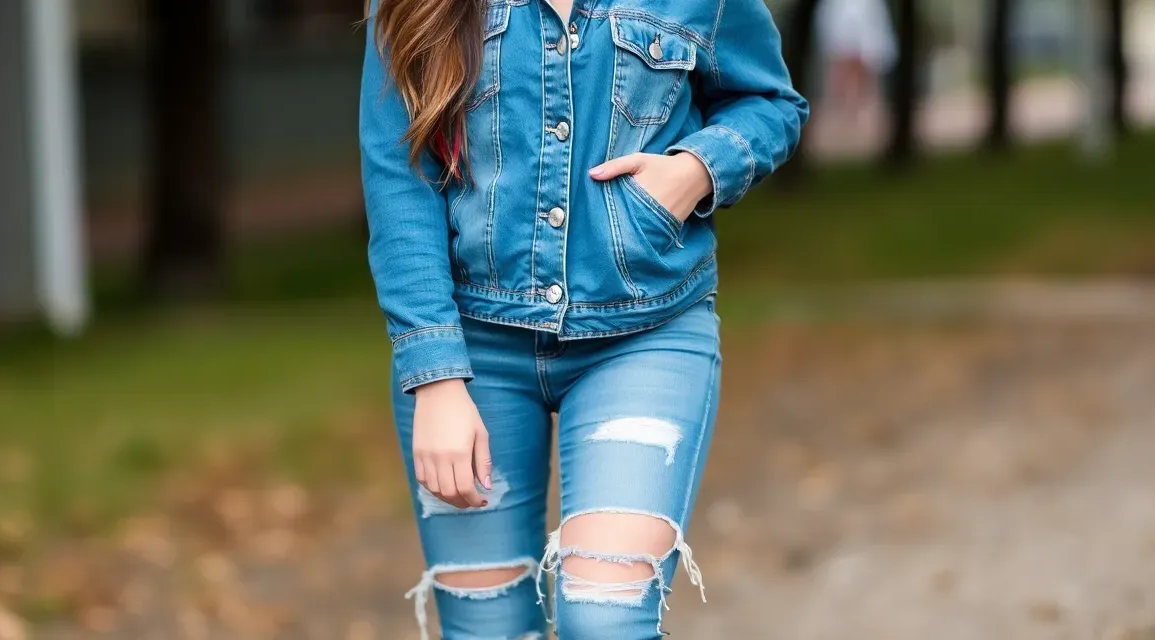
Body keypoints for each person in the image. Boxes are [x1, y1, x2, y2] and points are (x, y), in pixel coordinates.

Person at [359, 0, 806, 637]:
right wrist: (435, 375)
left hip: (647, 332)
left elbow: (770, 102)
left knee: (607, 618)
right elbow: (397, 177)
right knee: (487, 630)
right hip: (470, 349)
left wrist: (698, 168)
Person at [816, 0, 896, 133]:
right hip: (843, 22)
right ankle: (841, 113)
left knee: (861, 72)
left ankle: (857, 114)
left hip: (862, 22)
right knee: (841, 70)